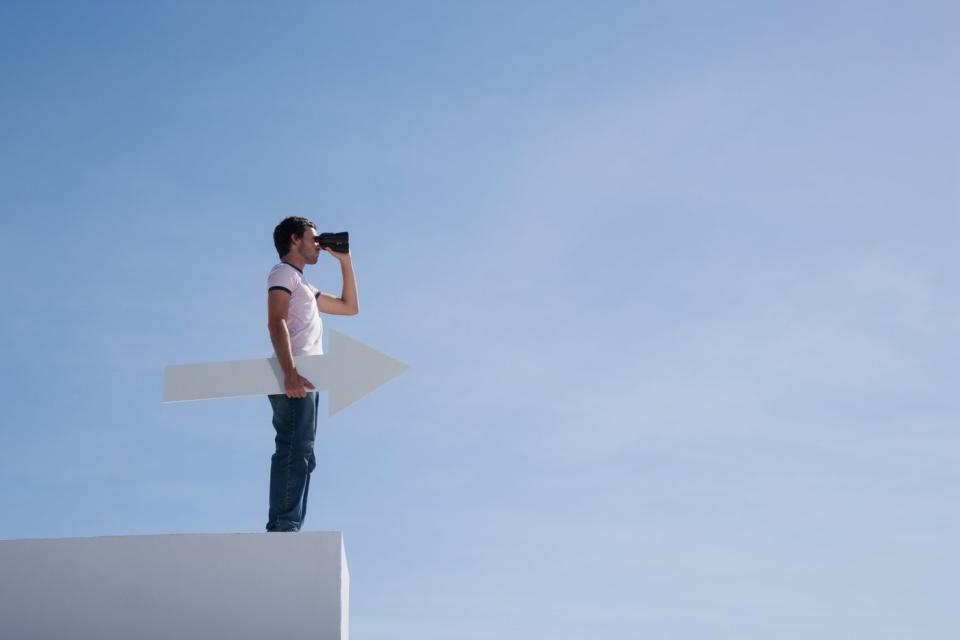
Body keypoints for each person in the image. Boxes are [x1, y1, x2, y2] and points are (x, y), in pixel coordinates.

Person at [265, 216, 358, 532]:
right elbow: (276, 320)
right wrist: (290, 373)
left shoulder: (305, 285)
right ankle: (282, 527)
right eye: (313, 238)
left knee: (304, 454)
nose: (318, 245)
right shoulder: (282, 273)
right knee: (293, 449)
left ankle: (288, 526)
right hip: (296, 374)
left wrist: (344, 261)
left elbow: (349, 307)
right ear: (295, 240)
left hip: (308, 379)